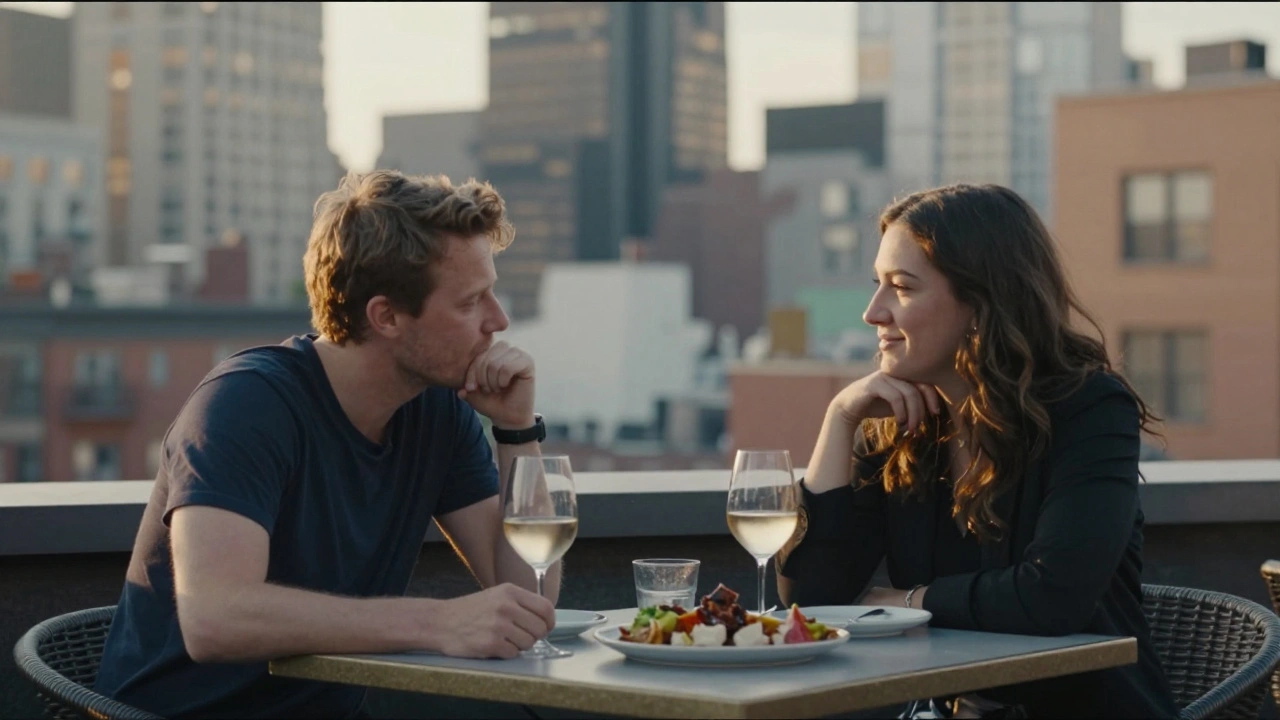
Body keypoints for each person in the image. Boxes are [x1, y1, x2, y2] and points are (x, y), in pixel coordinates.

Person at [95, 170, 561, 719]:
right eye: (470, 303)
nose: (499, 322)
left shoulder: (438, 410)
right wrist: (437, 623)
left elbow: (530, 594)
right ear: (385, 316)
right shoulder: (245, 405)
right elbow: (214, 617)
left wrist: (515, 431)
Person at [776, 184, 1179, 719]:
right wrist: (840, 420)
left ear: (980, 302)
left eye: (902, 287)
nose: (874, 313)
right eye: (878, 285)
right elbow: (812, 600)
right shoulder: (901, 421)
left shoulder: (1090, 410)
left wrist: (907, 600)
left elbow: (1052, 598)